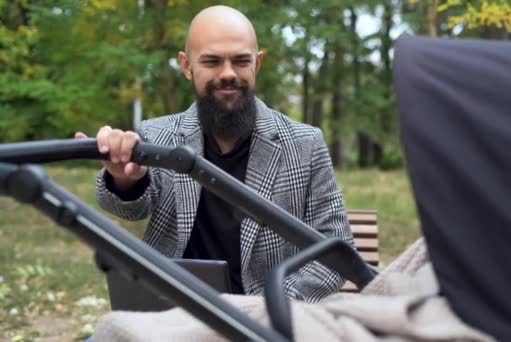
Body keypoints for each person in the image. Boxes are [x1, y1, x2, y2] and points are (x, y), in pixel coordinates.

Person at [76, 5, 353, 303]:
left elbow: (335, 246)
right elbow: (129, 208)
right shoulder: (158, 134)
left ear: (257, 64)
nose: (228, 73)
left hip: (267, 320)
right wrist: (124, 179)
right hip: (171, 313)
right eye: (211, 61)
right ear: (186, 66)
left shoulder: (305, 143)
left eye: (240, 61)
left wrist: (277, 308)